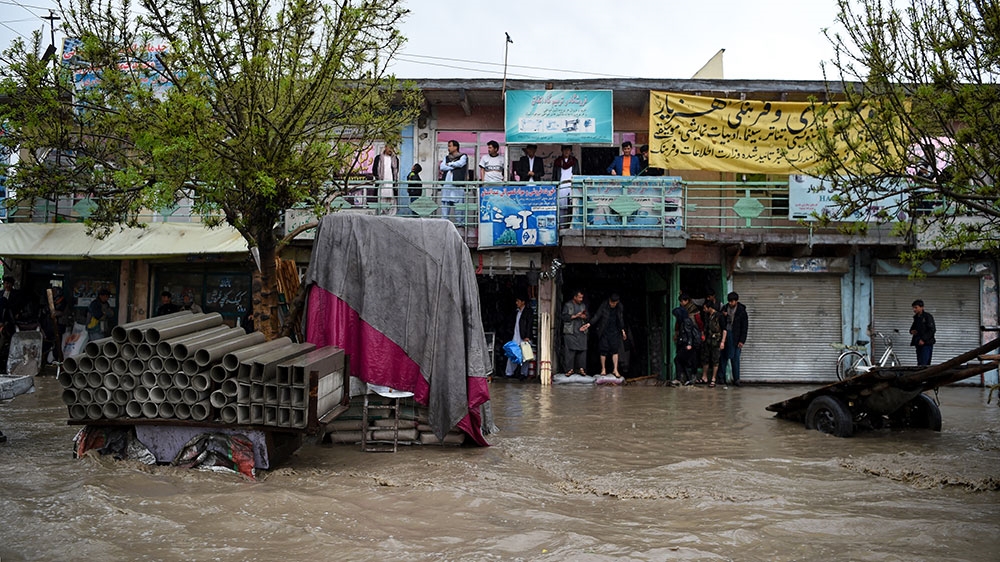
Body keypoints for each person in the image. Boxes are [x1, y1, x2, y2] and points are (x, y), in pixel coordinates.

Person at [584, 293, 626, 377]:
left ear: (617, 302)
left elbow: (620, 319)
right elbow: (597, 315)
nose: (612, 304)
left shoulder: (619, 307)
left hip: (615, 331)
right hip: (604, 331)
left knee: (615, 350)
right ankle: (603, 369)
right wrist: (589, 324)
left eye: (614, 303)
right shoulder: (604, 305)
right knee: (603, 350)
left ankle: (615, 369)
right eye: (611, 302)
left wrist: (622, 330)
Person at [719, 291, 749, 386]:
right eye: (729, 301)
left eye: (732, 301)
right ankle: (721, 378)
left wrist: (742, 340)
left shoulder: (741, 311)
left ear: (736, 301)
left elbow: (744, 327)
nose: (731, 303)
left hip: (736, 337)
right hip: (725, 334)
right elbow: (720, 321)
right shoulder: (724, 308)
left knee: (735, 358)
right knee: (723, 357)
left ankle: (736, 379)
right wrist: (723, 316)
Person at [699, 299, 726, 387]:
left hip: (716, 340)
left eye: (705, 308)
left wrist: (723, 342)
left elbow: (724, 330)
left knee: (715, 360)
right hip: (707, 340)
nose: (704, 310)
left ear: (709, 308)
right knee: (705, 358)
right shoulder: (707, 316)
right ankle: (704, 377)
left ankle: (713, 378)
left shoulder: (719, 316)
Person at [504, 295, 533, 379]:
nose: (516, 303)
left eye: (518, 301)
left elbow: (529, 325)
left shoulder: (528, 311)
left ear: (523, 302)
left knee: (525, 356)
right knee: (512, 354)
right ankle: (509, 373)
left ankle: (523, 373)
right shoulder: (516, 312)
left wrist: (527, 336)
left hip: (524, 337)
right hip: (515, 337)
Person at [439, 140, 468, 221]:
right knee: (445, 204)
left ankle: (460, 224)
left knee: (459, 207)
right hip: (447, 185)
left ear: (455, 147)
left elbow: (460, 164)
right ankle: (444, 222)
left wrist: (449, 164)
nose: (448, 148)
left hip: (457, 185)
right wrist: (453, 166)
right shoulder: (446, 157)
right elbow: (442, 167)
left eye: (450, 146)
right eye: (448, 146)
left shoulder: (463, 156)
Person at [561, 290, 588, 376]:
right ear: (575, 297)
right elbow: (563, 317)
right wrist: (575, 316)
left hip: (581, 331)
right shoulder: (568, 305)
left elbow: (588, 317)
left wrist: (584, 317)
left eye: (582, 297)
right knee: (569, 352)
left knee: (582, 351)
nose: (581, 299)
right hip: (570, 332)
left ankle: (581, 369)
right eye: (579, 297)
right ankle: (569, 369)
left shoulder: (583, 306)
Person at [673, 305, 701, 385]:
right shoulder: (683, 321)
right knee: (683, 362)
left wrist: (689, 344)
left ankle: (680, 378)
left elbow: (689, 334)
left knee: (678, 360)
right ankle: (687, 379)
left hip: (687, 346)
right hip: (685, 344)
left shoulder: (686, 321)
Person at [552, 145, 580, 222]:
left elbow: (577, 174)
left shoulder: (574, 161)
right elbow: (554, 176)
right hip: (561, 186)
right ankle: (561, 223)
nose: (566, 152)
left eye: (568, 150)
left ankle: (570, 222)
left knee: (571, 205)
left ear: (570, 151)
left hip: (571, 186)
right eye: (565, 150)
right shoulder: (558, 161)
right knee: (560, 205)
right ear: (562, 151)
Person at [371, 145, 400, 216]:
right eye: (390, 147)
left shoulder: (395, 159)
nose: (391, 150)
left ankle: (392, 217)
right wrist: (378, 178)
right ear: (386, 147)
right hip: (382, 184)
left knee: (392, 202)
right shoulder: (378, 158)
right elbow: (374, 170)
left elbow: (396, 171)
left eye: (393, 148)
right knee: (381, 201)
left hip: (392, 185)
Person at [909, 299, 936, 366]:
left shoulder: (927, 317)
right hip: (918, 342)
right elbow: (912, 328)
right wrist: (912, 331)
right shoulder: (916, 318)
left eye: (916, 307)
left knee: (925, 362)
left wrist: (923, 339)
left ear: (922, 307)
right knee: (920, 362)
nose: (914, 310)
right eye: (913, 308)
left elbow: (932, 330)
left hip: (926, 343)